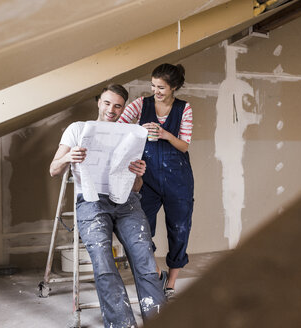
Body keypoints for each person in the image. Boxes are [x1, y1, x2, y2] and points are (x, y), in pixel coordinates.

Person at [50, 84, 166, 328]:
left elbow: (136, 187)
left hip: (126, 200)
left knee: (145, 259)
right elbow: (53, 169)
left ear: (123, 108)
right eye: (107, 103)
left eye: (117, 105)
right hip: (92, 201)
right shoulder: (78, 129)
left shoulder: (129, 133)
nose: (111, 110)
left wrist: (138, 174)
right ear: (98, 102)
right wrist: (68, 157)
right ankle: (122, 324)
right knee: (104, 264)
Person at [118, 63, 194, 300]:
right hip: (147, 178)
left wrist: (165, 134)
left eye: (161, 87)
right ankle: (157, 273)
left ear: (173, 87)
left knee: (179, 230)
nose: (156, 91)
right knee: (140, 229)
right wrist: (138, 130)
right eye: (153, 85)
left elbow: (184, 145)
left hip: (178, 179)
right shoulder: (141, 104)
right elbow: (118, 128)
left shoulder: (184, 109)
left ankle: (170, 285)